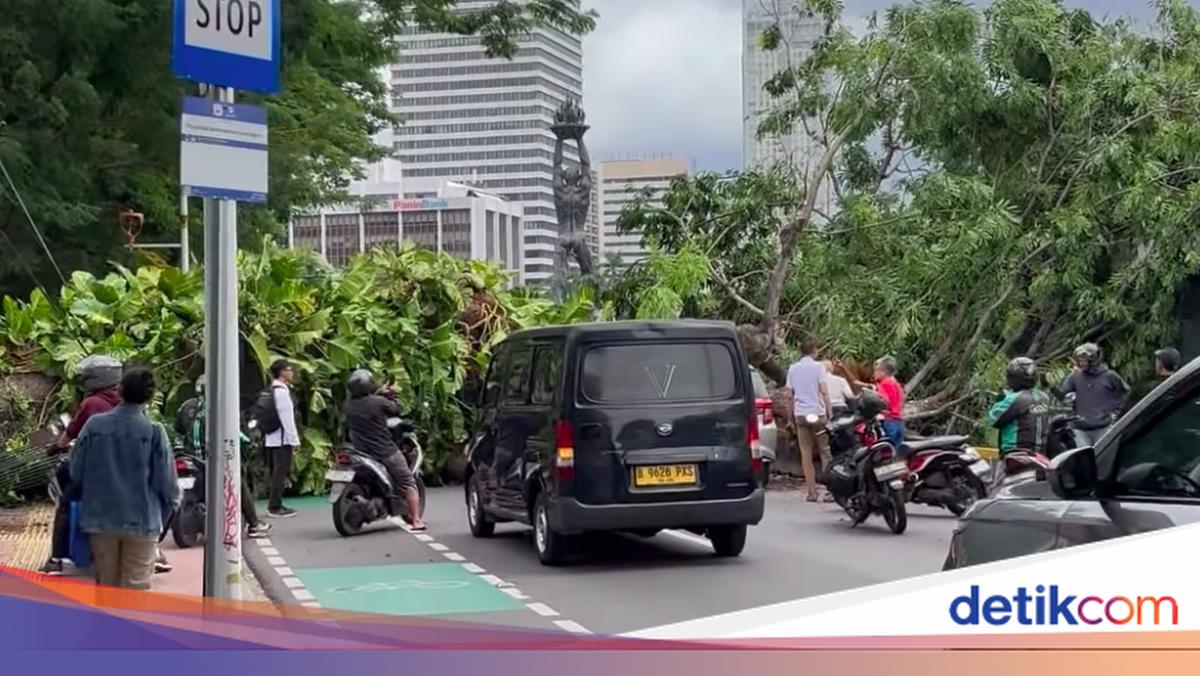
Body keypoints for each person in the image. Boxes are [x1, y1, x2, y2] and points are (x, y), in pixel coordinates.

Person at [70, 367, 179, 590]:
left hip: (100, 520)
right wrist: (171, 505)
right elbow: (166, 483)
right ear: (150, 397)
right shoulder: (154, 432)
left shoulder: (94, 426)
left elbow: (76, 472)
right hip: (142, 521)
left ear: (119, 391)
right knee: (135, 590)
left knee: (106, 590)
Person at [40, 355, 123, 575]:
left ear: (96, 377)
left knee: (66, 505)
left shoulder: (92, 403)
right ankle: (155, 555)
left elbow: (70, 433)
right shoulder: (129, 400)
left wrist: (56, 446)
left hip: (95, 471)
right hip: (127, 470)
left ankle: (56, 560)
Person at [175, 378, 271, 539]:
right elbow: (237, 435)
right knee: (237, 483)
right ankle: (254, 524)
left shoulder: (187, 406)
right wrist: (249, 444)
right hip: (213, 460)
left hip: (188, 457)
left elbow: (178, 429)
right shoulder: (222, 408)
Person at [344, 369, 426, 531]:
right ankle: (416, 520)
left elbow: (367, 401)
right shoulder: (378, 402)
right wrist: (393, 395)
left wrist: (380, 393)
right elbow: (398, 409)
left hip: (361, 452)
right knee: (408, 482)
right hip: (384, 452)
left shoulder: (348, 405)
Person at [1053, 343, 1130, 448]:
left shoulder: (1110, 376)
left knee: (1102, 457)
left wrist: (1115, 411)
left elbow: (1125, 392)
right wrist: (1051, 387)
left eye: (1083, 360)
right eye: (1079, 360)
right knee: (1084, 457)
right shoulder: (1075, 376)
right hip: (1079, 428)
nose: (1080, 363)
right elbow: (1062, 395)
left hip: (1103, 427)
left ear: (1093, 360)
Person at [786, 339, 833, 503]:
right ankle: (830, 491)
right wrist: (829, 412)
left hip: (801, 414)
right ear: (814, 350)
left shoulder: (793, 369)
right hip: (817, 413)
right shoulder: (819, 367)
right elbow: (824, 391)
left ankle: (811, 492)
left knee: (806, 454)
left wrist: (789, 416)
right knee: (825, 452)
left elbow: (790, 396)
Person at [987, 358, 1052, 456]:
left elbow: (993, 419)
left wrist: (1000, 400)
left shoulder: (1014, 398)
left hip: (1016, 452)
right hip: (1041, 452)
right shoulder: (1044, 397)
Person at [264, 359, 299, 518]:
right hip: (282, 439)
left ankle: (274, 504)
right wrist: (294, 440)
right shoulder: (282, 392)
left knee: (276, 472)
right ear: (282, 373)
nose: (291, 372)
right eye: (289, 369)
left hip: (271, 438)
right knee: (280, 472)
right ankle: (275, 506)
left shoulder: (272, 389)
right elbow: (287, 419)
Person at [848, 356, 906, 452]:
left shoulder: (884, 384)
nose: (874, 373)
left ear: (883, 371)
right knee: (896, 452)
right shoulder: (896, 384)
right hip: (899, 421)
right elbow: (901, 400)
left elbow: (883, 402)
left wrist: (874, 399)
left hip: (889, 420)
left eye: (876, 371)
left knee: (885, 452)